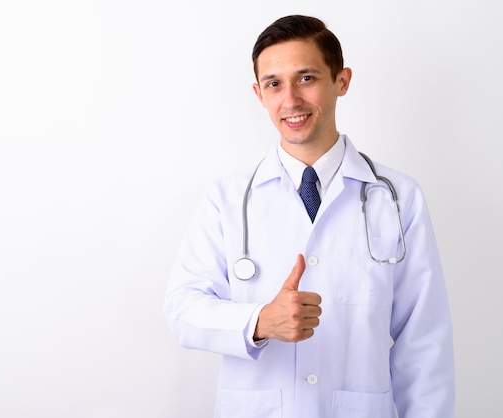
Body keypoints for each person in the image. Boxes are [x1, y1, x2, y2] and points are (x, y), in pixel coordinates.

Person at [163, 14, 454, 418]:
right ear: (258, 93)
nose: (290, 100)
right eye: (274, 83)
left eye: (306, 78)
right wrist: (260, 320)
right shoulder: (227, 200)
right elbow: (183, 309)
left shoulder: (398, 197)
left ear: (341, 81)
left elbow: (423, 341)